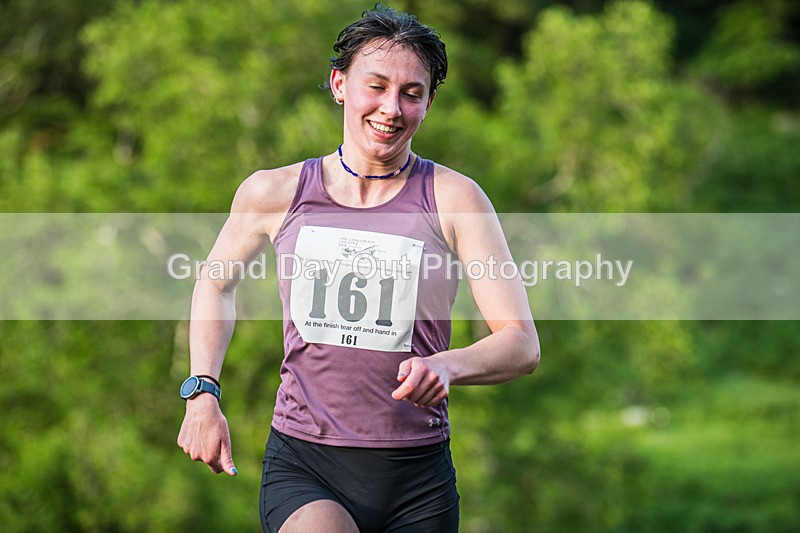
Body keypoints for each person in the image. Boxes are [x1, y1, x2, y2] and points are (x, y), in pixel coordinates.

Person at [177, 5, 540, 532]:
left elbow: (521, 343)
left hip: (417, 478)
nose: (391, 108)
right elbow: (215, 284)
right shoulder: (274, 192)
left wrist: (448, 365)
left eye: (411, 94)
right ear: (339, 83)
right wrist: (202, 391)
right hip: (307, 464)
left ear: (428, 103)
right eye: (377, 86)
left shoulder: (455, 199)